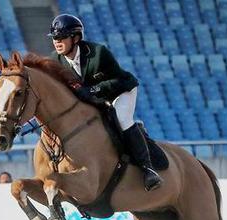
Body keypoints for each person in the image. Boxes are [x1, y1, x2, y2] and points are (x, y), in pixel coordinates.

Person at [48, 14, 162, 191]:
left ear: (76, 37)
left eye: (61, 37)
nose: (57, 41)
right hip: (92, 98)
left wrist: (93, 90)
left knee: (122, 119)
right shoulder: (55, 60)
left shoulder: (98, 53)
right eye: (55, 38)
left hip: (121, 91)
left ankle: (147, 169)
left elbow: (118, 80)